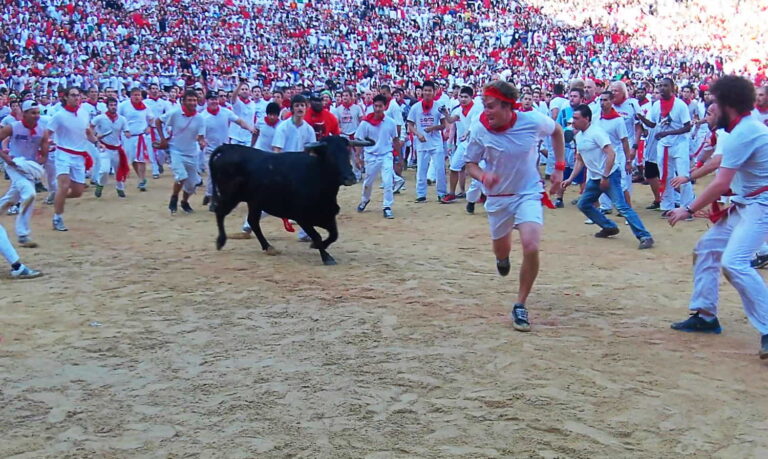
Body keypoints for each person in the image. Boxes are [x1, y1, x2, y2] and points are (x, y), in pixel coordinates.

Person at [666, 76, 768, 359]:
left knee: (734, 263)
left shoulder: (743, 133)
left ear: (729, 106)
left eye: (714, 103)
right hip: (748, 203)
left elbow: (721, 183)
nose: (709, 109)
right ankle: (705, 315)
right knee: (707, 249)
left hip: (761, 205)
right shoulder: (741, 130)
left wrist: (687, 209)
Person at [464, 80, 565, 332]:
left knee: (531, 245)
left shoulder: (531, 121)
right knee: (501, 250)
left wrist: (559, 169)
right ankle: (503, 258)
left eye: (491, 106)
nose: (486, 111)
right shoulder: (479, 129)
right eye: (484, 106)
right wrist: (483, 176)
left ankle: (520, 303)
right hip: (497, 198)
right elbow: (471, 164)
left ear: (508, 105)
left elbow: (558, 131)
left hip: (528, 192)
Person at [562, 104, 654, 249]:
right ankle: (609, 226)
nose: (573, 121)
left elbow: (611, 153)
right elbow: (580, 160)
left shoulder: (596, 133)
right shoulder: (579, 136)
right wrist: (569, 179)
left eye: (576, 118)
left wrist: (605, 176)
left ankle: (645, 236)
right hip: (596, 177)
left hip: (609, 175)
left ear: (586, 119)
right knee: (584, 204)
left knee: (622, 207)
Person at [637, 78, 693, 218]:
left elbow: (687, 127)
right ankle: (667, 206)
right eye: (660, 86)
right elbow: (652, 124)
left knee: (683, 175)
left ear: (673, 88)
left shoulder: (680, 105)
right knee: (665, 176)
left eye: (665, 86)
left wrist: (666, 133)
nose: (662, 88)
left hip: (680, 144)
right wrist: (640, 117)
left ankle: (687, 207)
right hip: (663, 144)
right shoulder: (656, 105)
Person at [46, 87, 98, 232]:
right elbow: (48, 133)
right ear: (66, 98)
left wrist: (96, 142)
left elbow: (87, 131)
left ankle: (58, 198)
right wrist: (45, 146)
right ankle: (57, 217)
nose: (76, 98)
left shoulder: (83, 113)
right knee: (63, 185)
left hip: (79, 155)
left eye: (78, 95)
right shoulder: (59, 116)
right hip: (63, 153)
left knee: (77, 191)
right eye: (73, 95)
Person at [0, 101, 49, 247]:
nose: (36, 116)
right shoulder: (13, 127)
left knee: (13, 197)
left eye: (38, 113)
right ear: (24, 113)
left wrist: (39, 163)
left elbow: (44, 153)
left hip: (28, 168)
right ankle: (23, 234)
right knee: (30, 194)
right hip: (14, 165)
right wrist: (6, 158)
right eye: (33, 113)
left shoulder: (42, 131)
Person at [200, 90, 257, 207]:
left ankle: (213, 195)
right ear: (207, 101)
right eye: (211, 99)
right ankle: (212, 197)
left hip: (224, 150)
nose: (214, 101)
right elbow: (198, 134)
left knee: (225, 175)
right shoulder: (202, 117)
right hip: (210, 150)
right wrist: (201, 141)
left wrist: (249, 128)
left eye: (216, 99)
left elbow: (239, 121)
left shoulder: (226, 112)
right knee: (212, 175)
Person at [156, 90, 206, 214]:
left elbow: (201, 136)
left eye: (194, 100)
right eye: (189, 100)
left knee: (192, 184)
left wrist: (201, 142)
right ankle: (174, 197)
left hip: (192, 152)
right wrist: (162, 139)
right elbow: (158, 121)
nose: (192, 102)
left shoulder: (200, 118)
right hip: (176, 150)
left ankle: (184, 201)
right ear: (183, 101)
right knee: (181, 176)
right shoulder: (175, 113)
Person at [354, 94, 400, 219]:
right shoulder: (365, 123)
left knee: (388, 181)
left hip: (386, 155)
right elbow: (359, 140)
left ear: (385, 107)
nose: (378, 109)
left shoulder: (390, 122)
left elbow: (395, 139)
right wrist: (358, 157)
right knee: (368, 182)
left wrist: (399, 157)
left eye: (380, 106)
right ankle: (365, 200)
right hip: (371, 155)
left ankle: (387, 206)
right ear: (373, 106)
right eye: (376, 106)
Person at [407, 80, 447, 203]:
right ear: (422, 92)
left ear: (434, 92)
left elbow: (444, 125)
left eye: (430, 90)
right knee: (421, 169)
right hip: (422, 142)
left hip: (436, 142)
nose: (427, 93)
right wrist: (418, 134)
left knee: (439, 169)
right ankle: (421, 194)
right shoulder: (415, 107)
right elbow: (410, 125)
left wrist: (433, 128)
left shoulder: (439, 106)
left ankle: (441, 193)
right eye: (425, 90)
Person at [443, 86, 483, 204]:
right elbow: (451, 120)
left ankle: (483, 194)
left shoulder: (477, 107)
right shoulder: (459, 109)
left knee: (481, 169)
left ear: (471, 97)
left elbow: (476, 123)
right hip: (465, 142)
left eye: (466, 97)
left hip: (478, 143)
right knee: (454, 166)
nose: (463, 99)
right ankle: (451, 193)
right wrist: (445, 114)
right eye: (461, 97)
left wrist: (468, 132)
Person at [91, 97, 129, 198]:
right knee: (104, 170)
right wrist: (95, 136)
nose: (113, 107)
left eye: (115, 105)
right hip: (104, 148)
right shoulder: (100, 118)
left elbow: (127, 131)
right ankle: (100, 184)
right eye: (111, 105)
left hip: (117, 148)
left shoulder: (122, 119)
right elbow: (90, 127)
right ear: (107, 106)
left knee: (118, 170)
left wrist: (128, 133)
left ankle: (120, 188)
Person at [118, 87, 154, 192]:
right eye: (135, 95)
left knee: (141, 159)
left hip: (141, 136)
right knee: (131, 159)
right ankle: (135, 177)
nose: (137, 97)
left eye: (139, 95)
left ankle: (142, 180)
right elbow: (118, 118)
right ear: (131, 96)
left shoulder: (146, 107)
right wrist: (124, 130)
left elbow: (151, 118)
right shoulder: (123, 106)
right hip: (128, 137)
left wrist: (149, 127)